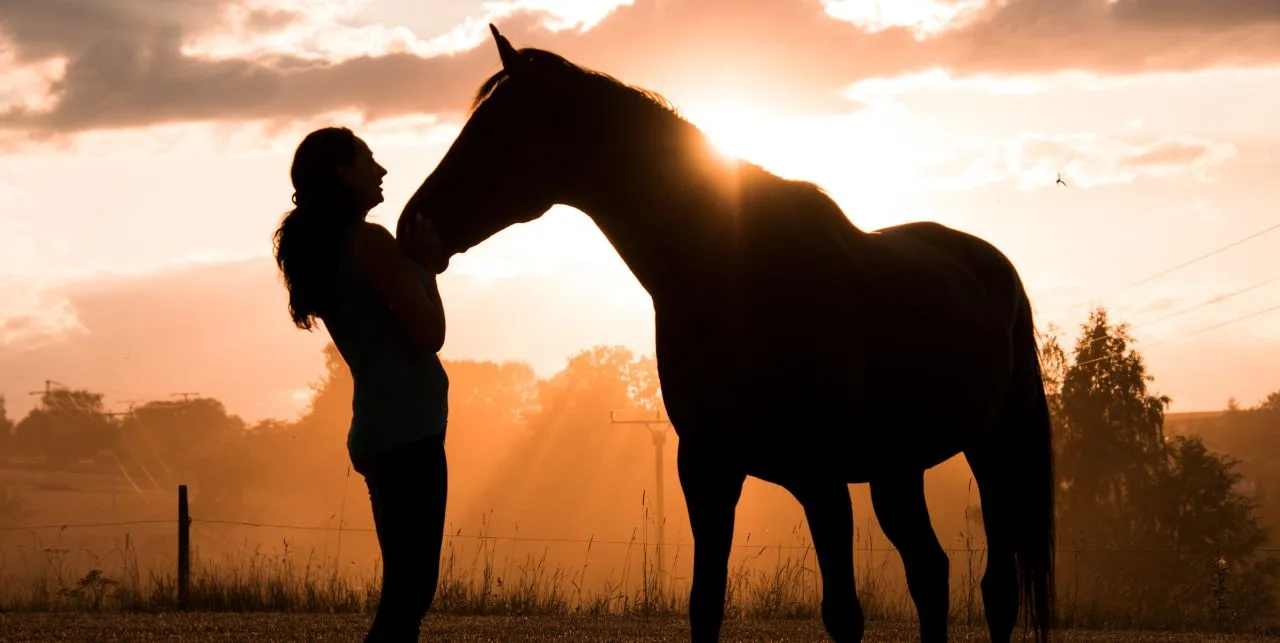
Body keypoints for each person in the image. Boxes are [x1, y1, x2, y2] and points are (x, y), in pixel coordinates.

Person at [272, 126, 450, 642]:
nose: (382, 169)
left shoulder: (334, 248)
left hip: (385, 430)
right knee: (408, 596)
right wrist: (428, 267)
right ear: (343, 173)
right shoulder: (369, 243)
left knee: (406, 594)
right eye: (368, 159)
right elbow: (428, 334)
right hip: (407, 435)